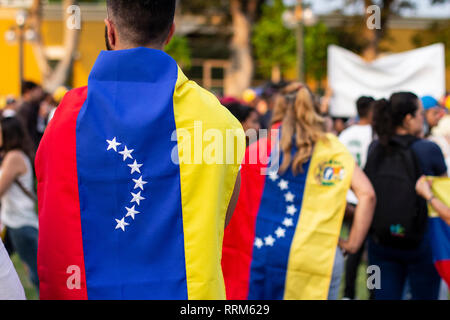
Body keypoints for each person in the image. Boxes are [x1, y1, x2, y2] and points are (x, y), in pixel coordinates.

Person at [35, 0, 245, 300]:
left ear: (110, 31)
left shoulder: (67, 119)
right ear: (170, 32)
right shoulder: (218, 121)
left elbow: (54, 213)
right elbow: (219, 217)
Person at [222, 85, 376, 300]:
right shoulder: (332, 150)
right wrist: (353, 243)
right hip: (318, 256)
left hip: (262, 254)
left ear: (278, 109)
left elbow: (230, 193)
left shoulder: (258, 149)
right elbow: (367, 194)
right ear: (315, 112)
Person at [365, 92, 448, 300]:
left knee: (378, 294)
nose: (424, 118)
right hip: (421, 244)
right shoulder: (429, 149)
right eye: (421, 113)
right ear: (408, 119)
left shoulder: (375, 147)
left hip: (379, 242)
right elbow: (445, 194)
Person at [339, 96, 375, 300]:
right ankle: (372, 292)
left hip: (348, 196)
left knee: (353, 250)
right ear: (370, 111)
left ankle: (348, 294)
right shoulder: (373, 133)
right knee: (371, 252)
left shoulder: (345, 133)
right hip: (365, 195)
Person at [0, 116, 39, 293]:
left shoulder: (13, 157)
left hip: (20, 222)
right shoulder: (12, 155)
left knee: (36, 274)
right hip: (16, 220)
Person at [16, 81, 44, 151]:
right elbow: (26, 133)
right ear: (28, 91)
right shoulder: (24, 109)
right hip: (29, 150)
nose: (39, 94)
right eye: (36, 91)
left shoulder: (33, 106)